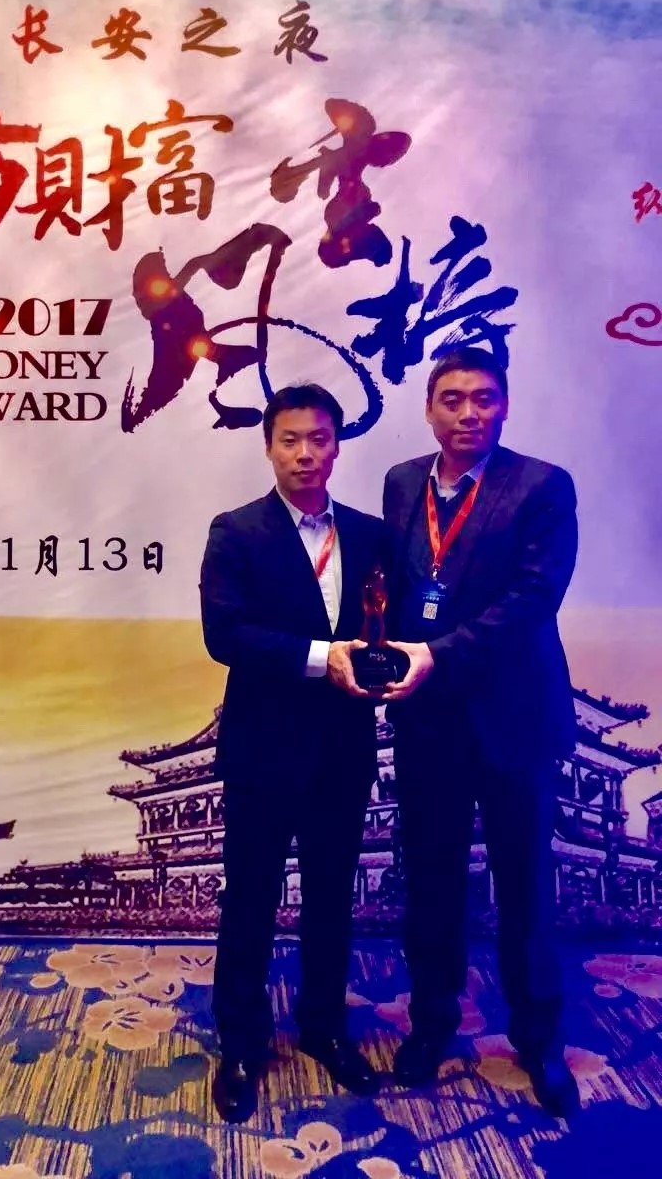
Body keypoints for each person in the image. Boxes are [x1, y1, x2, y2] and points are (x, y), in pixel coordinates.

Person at [380, 346, 580, 1117]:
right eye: (453, 399)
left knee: (524, 887)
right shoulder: (402, 483)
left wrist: (434, 653)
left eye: (484, 398)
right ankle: (432, 1024)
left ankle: (538, 1041)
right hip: (428, 723)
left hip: (512, 719)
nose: (469, 413)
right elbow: (404, 589)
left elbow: (533, 599)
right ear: (429, 409)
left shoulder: (541, 486)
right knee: (430, 882)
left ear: (504, 406)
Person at [200, 382, 388, 1123]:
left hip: (344, 749)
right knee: (250, 898)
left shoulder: (370, 534)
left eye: (319, 439)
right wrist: (322, 657)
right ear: (269, 447)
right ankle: (242, 1045)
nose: (305, 453)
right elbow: (226, 635)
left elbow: (388, 627)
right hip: (263, 749)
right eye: (290, 440)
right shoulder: (236, 531)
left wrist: (385, 665)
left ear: (337, 446)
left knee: (332, 898)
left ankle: (324, 1028)